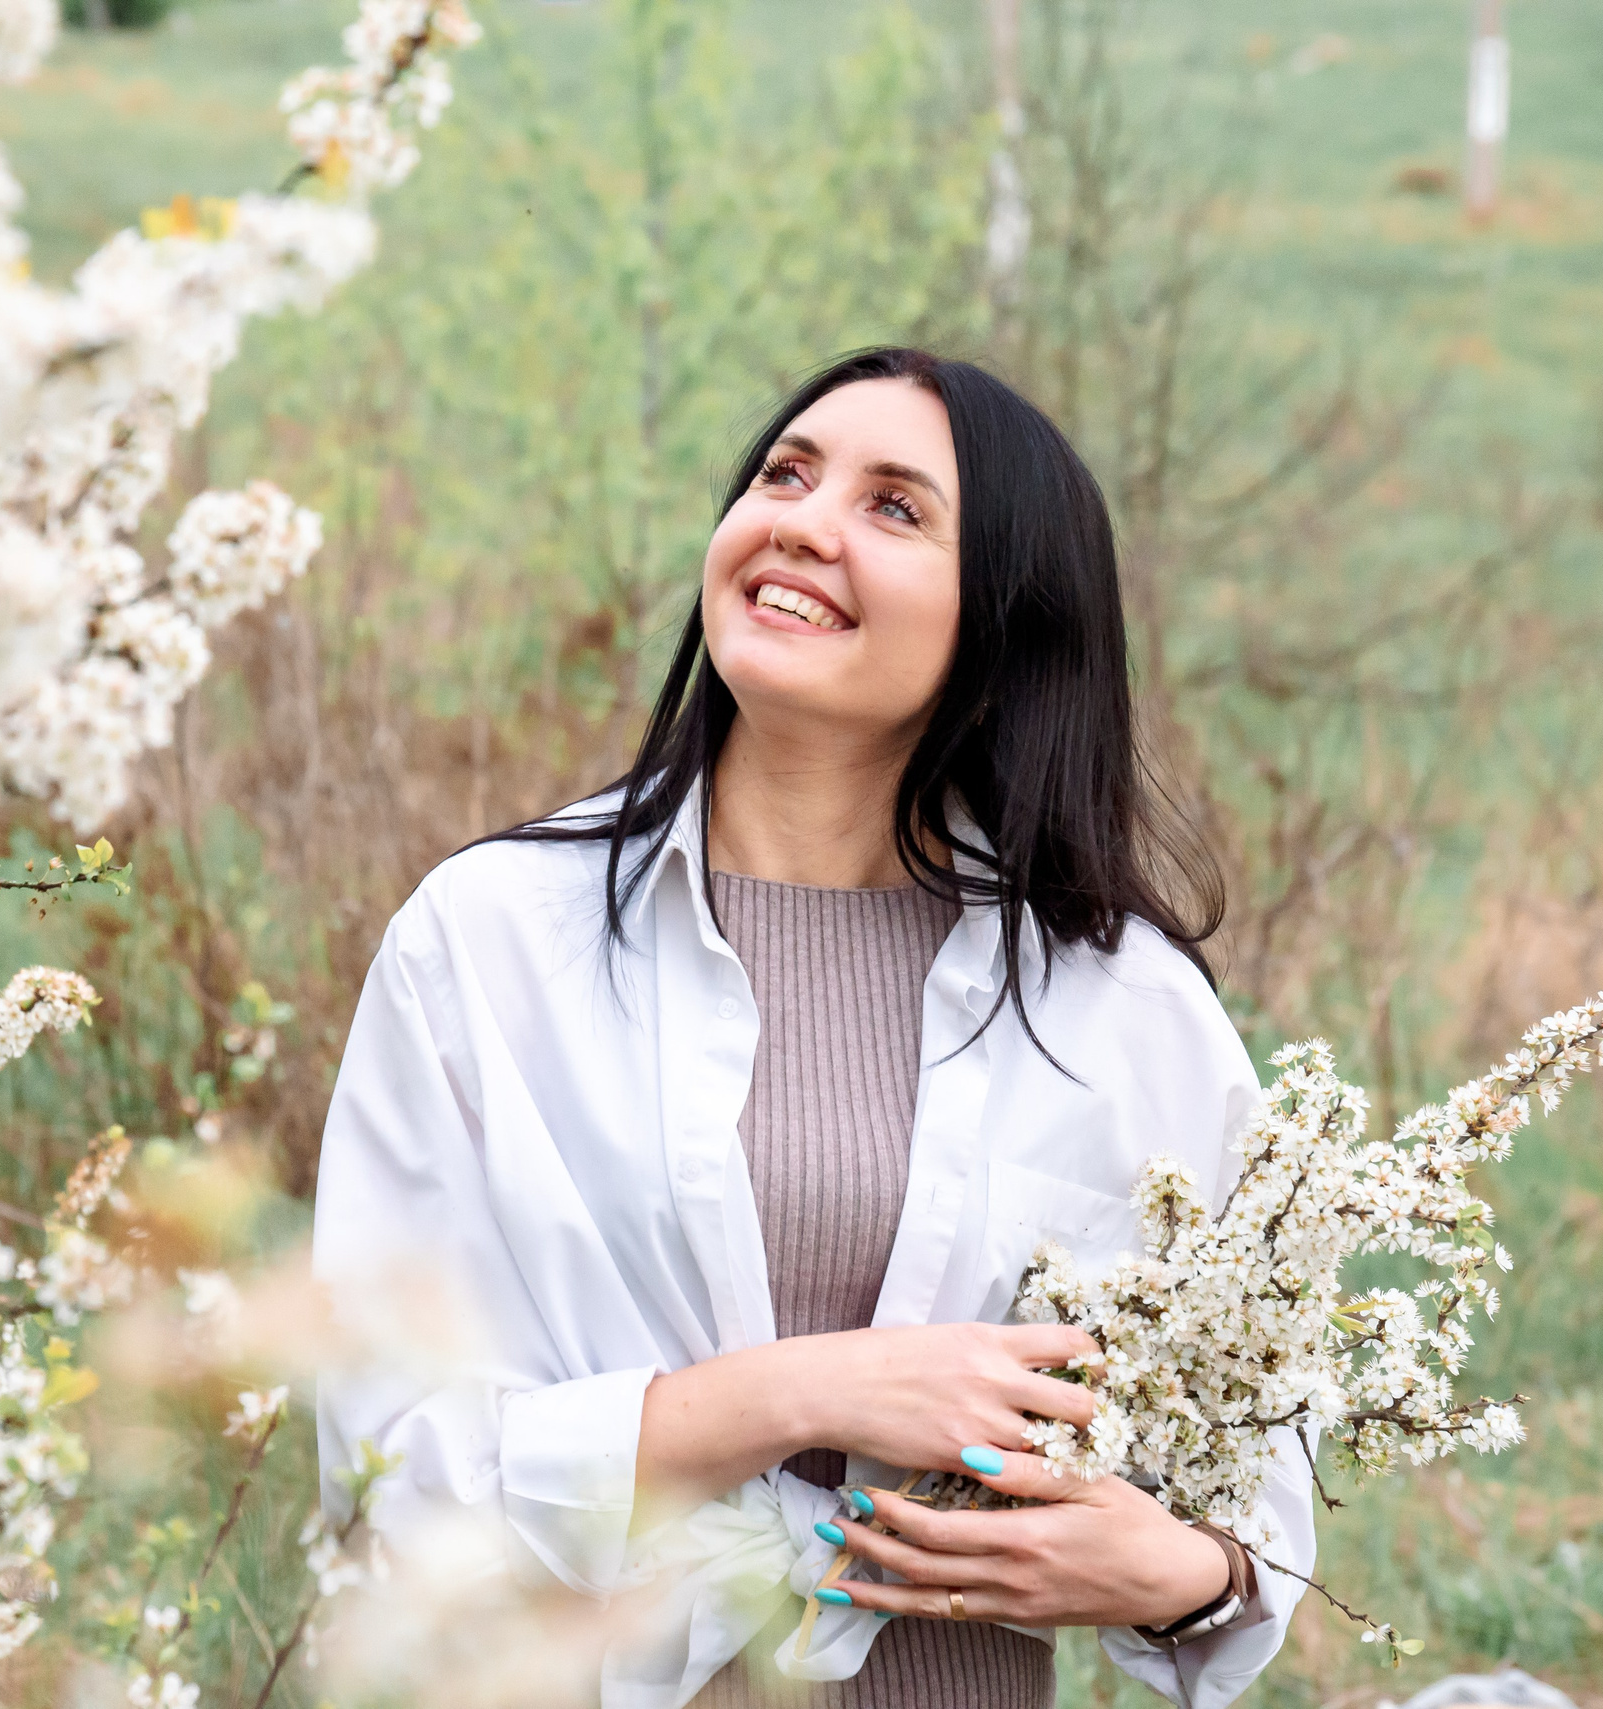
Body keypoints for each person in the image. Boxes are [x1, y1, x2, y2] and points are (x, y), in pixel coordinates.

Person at [311, 348, 1312, 1709]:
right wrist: (804, 1393)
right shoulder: (489, 941)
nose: (803, 518)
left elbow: (1260, 1489)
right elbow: (392, 1468)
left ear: (1007, 620)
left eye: (895, 507)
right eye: (786, 472)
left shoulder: (1123, 1005)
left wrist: (1188, 1573)